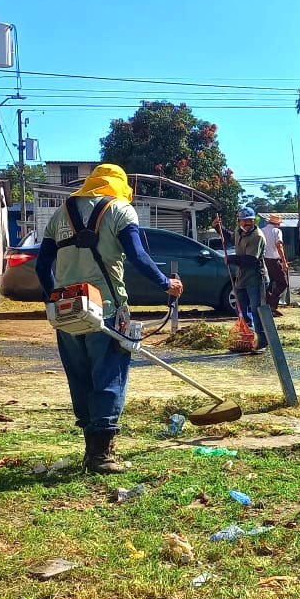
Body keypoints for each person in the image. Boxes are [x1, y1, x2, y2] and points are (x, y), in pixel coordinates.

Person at [34, 164, 183, 474]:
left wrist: (54, 297)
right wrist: (166, 284)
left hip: (66, 311)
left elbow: (41, 266)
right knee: (109, 375)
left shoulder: (61, 213)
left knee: (80, 377)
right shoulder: (120, 210)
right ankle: (102, 454)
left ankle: (92, 451)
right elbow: (138, 256)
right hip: (107, 311)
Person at [231, 207, 269, 353]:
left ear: (254, 221)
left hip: (255, 278)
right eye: (244, 220)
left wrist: (232, 259)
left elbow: (251, 260)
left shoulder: (257, 236)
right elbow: (230, 236)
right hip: (242, 278)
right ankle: (247, 338)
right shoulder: (238, 232)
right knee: (241, 309)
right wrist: (218, 228)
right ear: (239, 221)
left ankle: (263, 341)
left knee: (256, 310)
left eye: (250, 220)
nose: (247, 223)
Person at [261, 213, 289, 316]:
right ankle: (272, 305)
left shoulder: (261, 231)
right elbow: (279, 246)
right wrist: (284, 261)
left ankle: (269, 307)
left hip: (263, 261)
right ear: (277, 224)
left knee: (268, 285)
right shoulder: (277, 231)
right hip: (273, 260)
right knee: (283, 283)